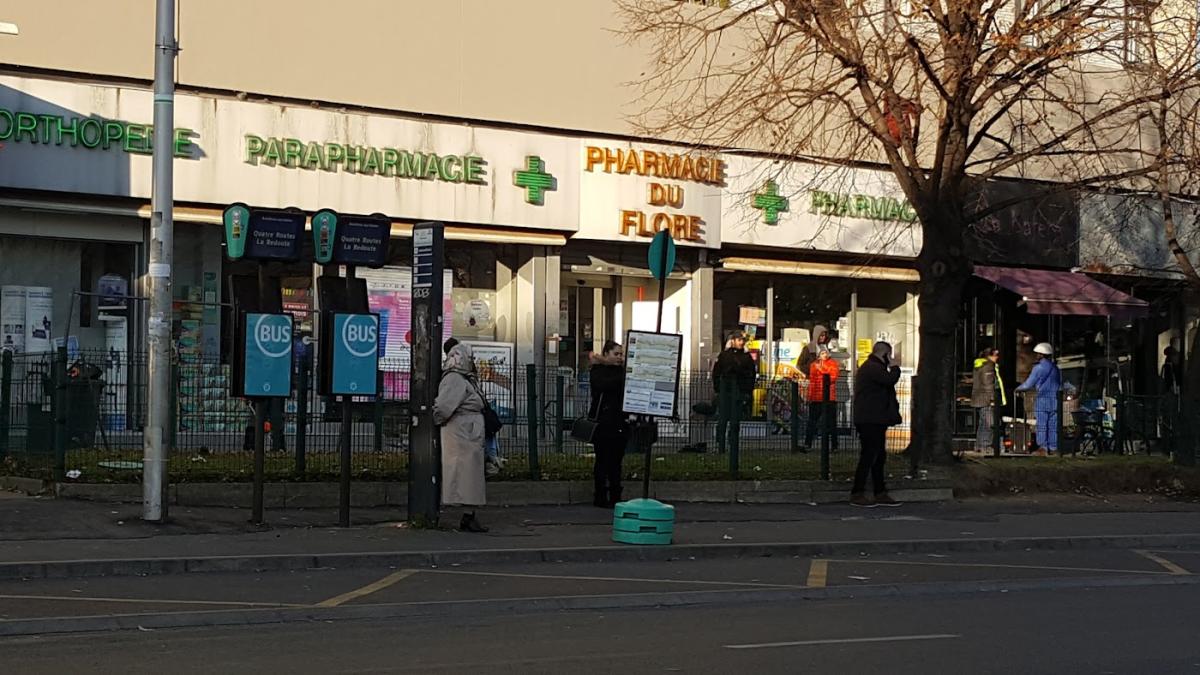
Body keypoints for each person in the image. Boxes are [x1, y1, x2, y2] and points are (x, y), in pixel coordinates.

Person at [433, 343, 488, 532]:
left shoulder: (461, 378)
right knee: (465, 475)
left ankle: (469, 514)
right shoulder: (456, 379)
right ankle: (468, 515)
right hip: (462, 433)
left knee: (468, 476)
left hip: (466, 432)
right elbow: (443, 407)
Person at [851, 341, 902, 507]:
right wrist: (895, 367)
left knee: (878, 455)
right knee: (870, 455)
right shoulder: (873, 368)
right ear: (885, 354)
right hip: (870, 419)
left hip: (874, 418)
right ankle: (858, 492)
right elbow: (889, 380)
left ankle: (879, 491)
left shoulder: (871, 367)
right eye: (889, 355)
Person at [588, 340, 628, 507]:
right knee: (603, 460)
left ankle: (615, 494)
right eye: (616, 354)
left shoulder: (622, 372)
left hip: (620, 421)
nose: (620, 358)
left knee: (616, 461)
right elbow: (603, 385)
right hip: (603, 423)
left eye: (621, 354)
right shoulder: (598, 371)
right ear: (606, 354)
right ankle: (601, 495)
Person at [713, 331, 756, 454]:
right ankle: (721, 444)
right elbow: (716, 373)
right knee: (723, 420)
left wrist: (748, 392)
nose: (741, 342)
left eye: (743, 340)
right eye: (739, 340)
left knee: (735, 421)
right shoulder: (725, 356)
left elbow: (751, 375)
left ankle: (733, 445)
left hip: (739, 392)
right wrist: (718, 389)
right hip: (725, 391)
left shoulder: (747, 357)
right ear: (733, 341)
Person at [1015, 342, 1062, 456]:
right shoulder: (1056, 368)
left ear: (1041, 354)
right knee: (1053, 426)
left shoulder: (1038, 368)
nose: (1036, 355)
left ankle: (1043, 448)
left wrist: (1017, 389)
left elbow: (1028, 384)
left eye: (1037, 353)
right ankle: (1054, 448)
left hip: (1043, 400)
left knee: (1041, 425)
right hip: (1055, 400)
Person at [804, 348, 840, 450]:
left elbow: (832, 378)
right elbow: (812, 381)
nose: (824, 355)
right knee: (812, 422)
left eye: (825, 353)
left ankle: (834, 445)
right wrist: (810, 396)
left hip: (829, 398)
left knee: (831, 423)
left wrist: (821, 369)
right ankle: (808, 444)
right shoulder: (813, 365)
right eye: (822, 353)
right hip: (816, 398)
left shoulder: (832, 364)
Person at [971, 347, 1005, 453]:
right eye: (995, 355)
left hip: (980, 398)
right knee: (990, 423)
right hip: (987, 398)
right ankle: (986, 445)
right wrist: (992, 398)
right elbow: (988, 384)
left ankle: (979, 445)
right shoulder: (989, 366)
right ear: (989, 356)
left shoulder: (980, 365)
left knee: (983, 423)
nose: (997, 357)